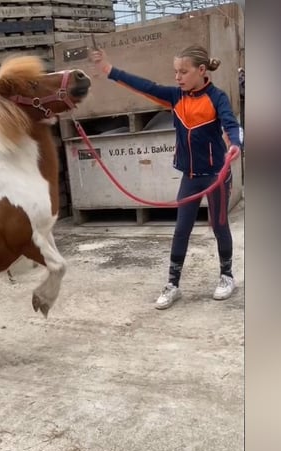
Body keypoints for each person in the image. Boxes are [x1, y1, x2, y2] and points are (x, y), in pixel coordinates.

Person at [91, 45, 243, 309]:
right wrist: (108, 69)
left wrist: (236, 143)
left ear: (201, 71)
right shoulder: (175, 97)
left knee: (219, 227)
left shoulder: (217, 98)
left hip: (217, 175)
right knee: (181, 229)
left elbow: (230, 123)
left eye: (183, 72)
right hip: (190, 177)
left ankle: (226, 276)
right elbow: (144, 86)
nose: (178, 77)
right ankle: (173, 284)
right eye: (175, 72)